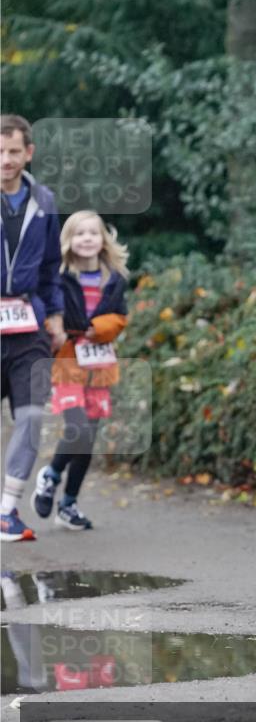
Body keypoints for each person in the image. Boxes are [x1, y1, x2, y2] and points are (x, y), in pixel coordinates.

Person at [31, 210, 129, 529]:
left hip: (99, 366)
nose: (87, 239)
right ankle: (50, 475)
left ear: (104, 239)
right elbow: (46, 311)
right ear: (68, 241)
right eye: (79, 233)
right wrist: (56, 330)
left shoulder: (114, 278)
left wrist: (97, 329)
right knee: (79, 429)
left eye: (93, 233)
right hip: (68, 361)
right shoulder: (57, 277)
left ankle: (68, 504)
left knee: (88, 439)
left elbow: (120, 318)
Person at [1, 113, 66, 542]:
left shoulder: (44, 201)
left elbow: (50, 266)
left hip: (28, 327)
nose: (5, 160)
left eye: (13, 151)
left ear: (29, 153)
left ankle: (7, 512)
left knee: (31, 416)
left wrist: (55, 314)